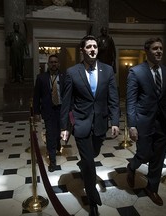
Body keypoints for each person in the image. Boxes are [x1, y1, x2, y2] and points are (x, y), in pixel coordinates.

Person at [60, 35, 120, 216]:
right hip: (81, 123)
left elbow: (113, 99)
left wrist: (115, 121)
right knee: (89, 163)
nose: (93, 49)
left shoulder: (108, 70)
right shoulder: (72, 72)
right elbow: (66, 102)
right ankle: (93, 201)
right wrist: (64, 128)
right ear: (82, 50)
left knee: (93, 154)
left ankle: (84, 164)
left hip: (100, 123)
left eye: (95, 46)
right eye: (89, 47)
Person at [126, 37, 166, 206]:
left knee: (159, 158)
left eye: (161, 48)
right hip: (144, 121)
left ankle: (152, 188)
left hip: (162, 122)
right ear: (147, 51)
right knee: (145, 153)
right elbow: (131, 101)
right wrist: (131, 125)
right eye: (155, 48)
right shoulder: (136, 72)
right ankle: (132, 167)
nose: (159, 51)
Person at [33, 54, 65, 172]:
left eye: (55, 62)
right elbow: (36, 96)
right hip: (48, 110)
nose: (53, 64)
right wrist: (36, 112)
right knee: (50, 135)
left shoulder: (64, 77)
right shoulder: (41, 77)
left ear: (59, 64)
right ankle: (52, 161)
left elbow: (68, 94)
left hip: (61, 110)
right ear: (48, 64)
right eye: (51, 62)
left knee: (58, 133)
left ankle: (57, 143)